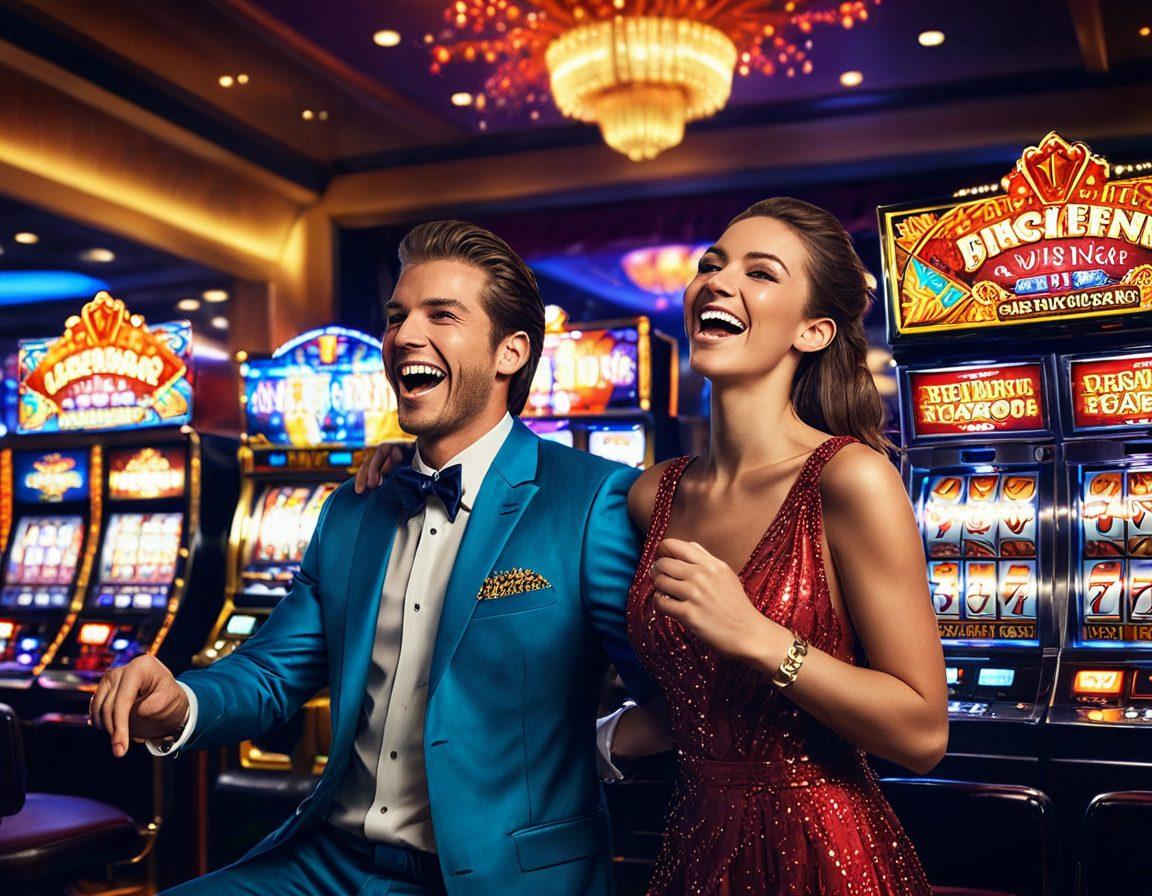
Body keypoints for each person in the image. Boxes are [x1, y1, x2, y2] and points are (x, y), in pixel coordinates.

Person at [359, 199, 948, 896]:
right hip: (694, 846)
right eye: (712, 264)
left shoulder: (850, 478)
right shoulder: (651, 495)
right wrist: (421, 460)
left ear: (814, 330)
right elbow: (530, 502)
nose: (718, 282)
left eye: (760, 273)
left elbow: (920, 733)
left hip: (823, 853)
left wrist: (759, 638)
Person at [88, 220, 656, 896]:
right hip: (330, 859)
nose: (404, 335)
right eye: (397, 317)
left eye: (440, 315)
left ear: (510, 352)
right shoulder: (353, 508)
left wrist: (585, 749)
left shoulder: (588, 501)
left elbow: (681, 700)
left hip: (493, 877)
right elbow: (270, 673)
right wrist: (178, 703)